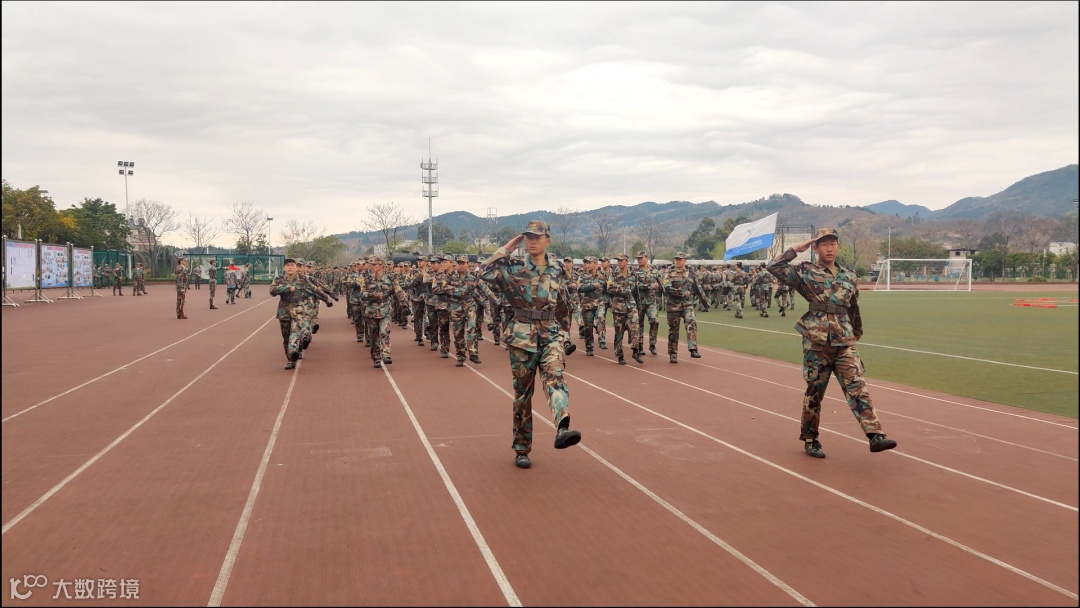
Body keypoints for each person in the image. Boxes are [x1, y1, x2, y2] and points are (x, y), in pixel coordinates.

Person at [767, 227, 898, 459]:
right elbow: (774, 267)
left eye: (832, 243)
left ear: (838, 246)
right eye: (824, 244)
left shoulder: (849, 276)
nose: (829, 248)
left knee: (857, 385)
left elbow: (853, 307)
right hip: (816, 342)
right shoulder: (805, 271)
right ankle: (811, 439)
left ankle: (875, 434)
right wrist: (795, 249)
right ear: (816, 247)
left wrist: (856, 332)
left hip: (844, 341)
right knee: (815, 393)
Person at [478, 219, 581, 469]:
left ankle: (562, 426)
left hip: (551, 334)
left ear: (548, 240)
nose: (532, 241)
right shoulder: (513, 267)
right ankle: (522, 449)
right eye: (528, 237)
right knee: (523, 395)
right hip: (522, 336)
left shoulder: (558, 269)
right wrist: (507, 247)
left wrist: (565, 334)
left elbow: (562, 304)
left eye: (537, 237)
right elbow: (483, 272)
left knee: (555, 377)